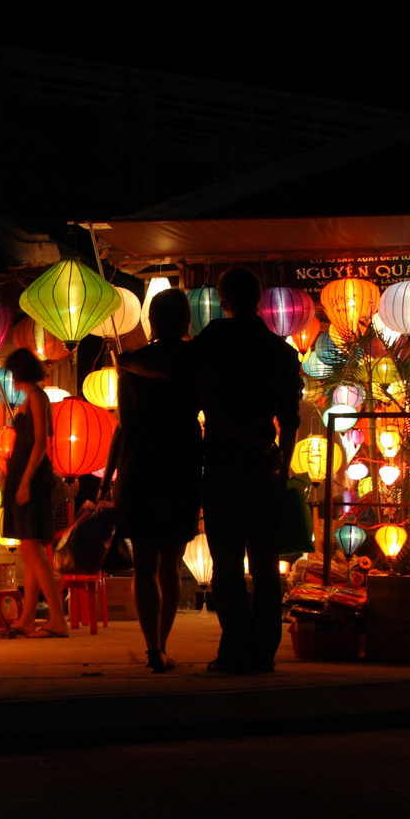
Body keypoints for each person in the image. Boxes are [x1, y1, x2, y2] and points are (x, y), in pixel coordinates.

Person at [121, 269, 301, 672]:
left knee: (228, 563)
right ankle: (264, 650)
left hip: (222, 463)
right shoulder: (282, 353)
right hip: (263, 465)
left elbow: (173, 365)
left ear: (222, 299)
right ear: (259, 300)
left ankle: (235, 648)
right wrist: (283, 467)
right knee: (266, 563)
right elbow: (290, 421)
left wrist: (129, 360)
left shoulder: (216, 339)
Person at [102, 287, 201, 672]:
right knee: (171, 560)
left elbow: (124, 424)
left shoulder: (132, 366)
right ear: (187, 320)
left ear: (152, 322)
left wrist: (109, 473)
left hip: (140, 460)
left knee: (145, 559)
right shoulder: (195, 360)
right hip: (181, 460)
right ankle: (163, 644)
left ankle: (153, 647)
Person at [0, 347, 68, 638]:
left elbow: (40, 443)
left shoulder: (38, 398)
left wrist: (25, 481)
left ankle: (56, 618)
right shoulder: (29, 398)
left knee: (33, 548)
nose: (12, 379)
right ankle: (28, 617)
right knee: (29, 551)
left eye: (14, 373)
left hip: (32, 476)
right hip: (21, 474)